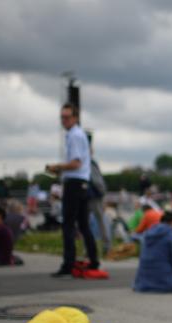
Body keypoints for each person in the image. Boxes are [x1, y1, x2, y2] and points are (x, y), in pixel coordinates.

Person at [45, 102, 100, 277]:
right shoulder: (79, 134)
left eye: (67, 117)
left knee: (68, 225)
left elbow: (76, 163)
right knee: (83, 225)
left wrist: (57, 167)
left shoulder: (74, 135)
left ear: (75, 118)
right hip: (83, 183)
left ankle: (68, 264)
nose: (64, 120)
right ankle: (94, 261)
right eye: (62, 117)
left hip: (75, 183)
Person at [88, 149, 111, 254]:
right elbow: (97, 181)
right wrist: (103, 193)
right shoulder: (91, 162)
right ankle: (106, 246)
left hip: (86, 196)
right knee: (101, 221)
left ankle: (88, 248)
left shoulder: (83, 162)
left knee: (86, 223)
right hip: (95, 196)